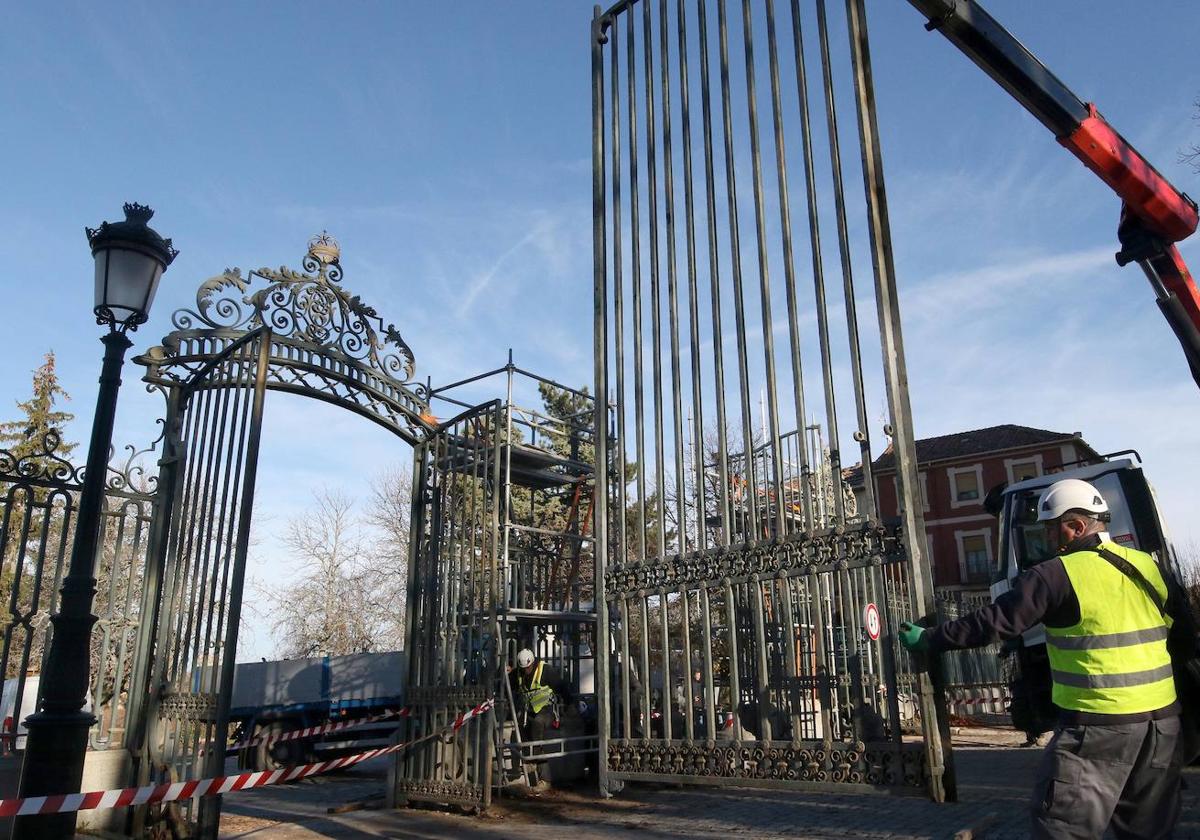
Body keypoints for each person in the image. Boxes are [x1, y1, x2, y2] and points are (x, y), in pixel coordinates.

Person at [899, 478, 1182, 840]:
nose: (1048, 538)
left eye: (1052, 528)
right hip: (1162, 726)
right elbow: (1183, 639)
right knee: (1148, 832)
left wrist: (929, 638)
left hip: (1097, 727)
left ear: (1077, 526)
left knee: (1062, 828)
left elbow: (995, 621)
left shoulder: (1056, 573)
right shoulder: (1147, 566)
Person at [508, 648, 573, 742]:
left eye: (528, 668)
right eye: (523, 668)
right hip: (528, 711)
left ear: (533, 663)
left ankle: (537, 750)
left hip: (547, 710)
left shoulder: (546, 670)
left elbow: (561, 686)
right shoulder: (518, 673)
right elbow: (507, 684)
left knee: (537, 723)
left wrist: (570, 704)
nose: (526, 671)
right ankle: (524, 752)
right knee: (519, 730)